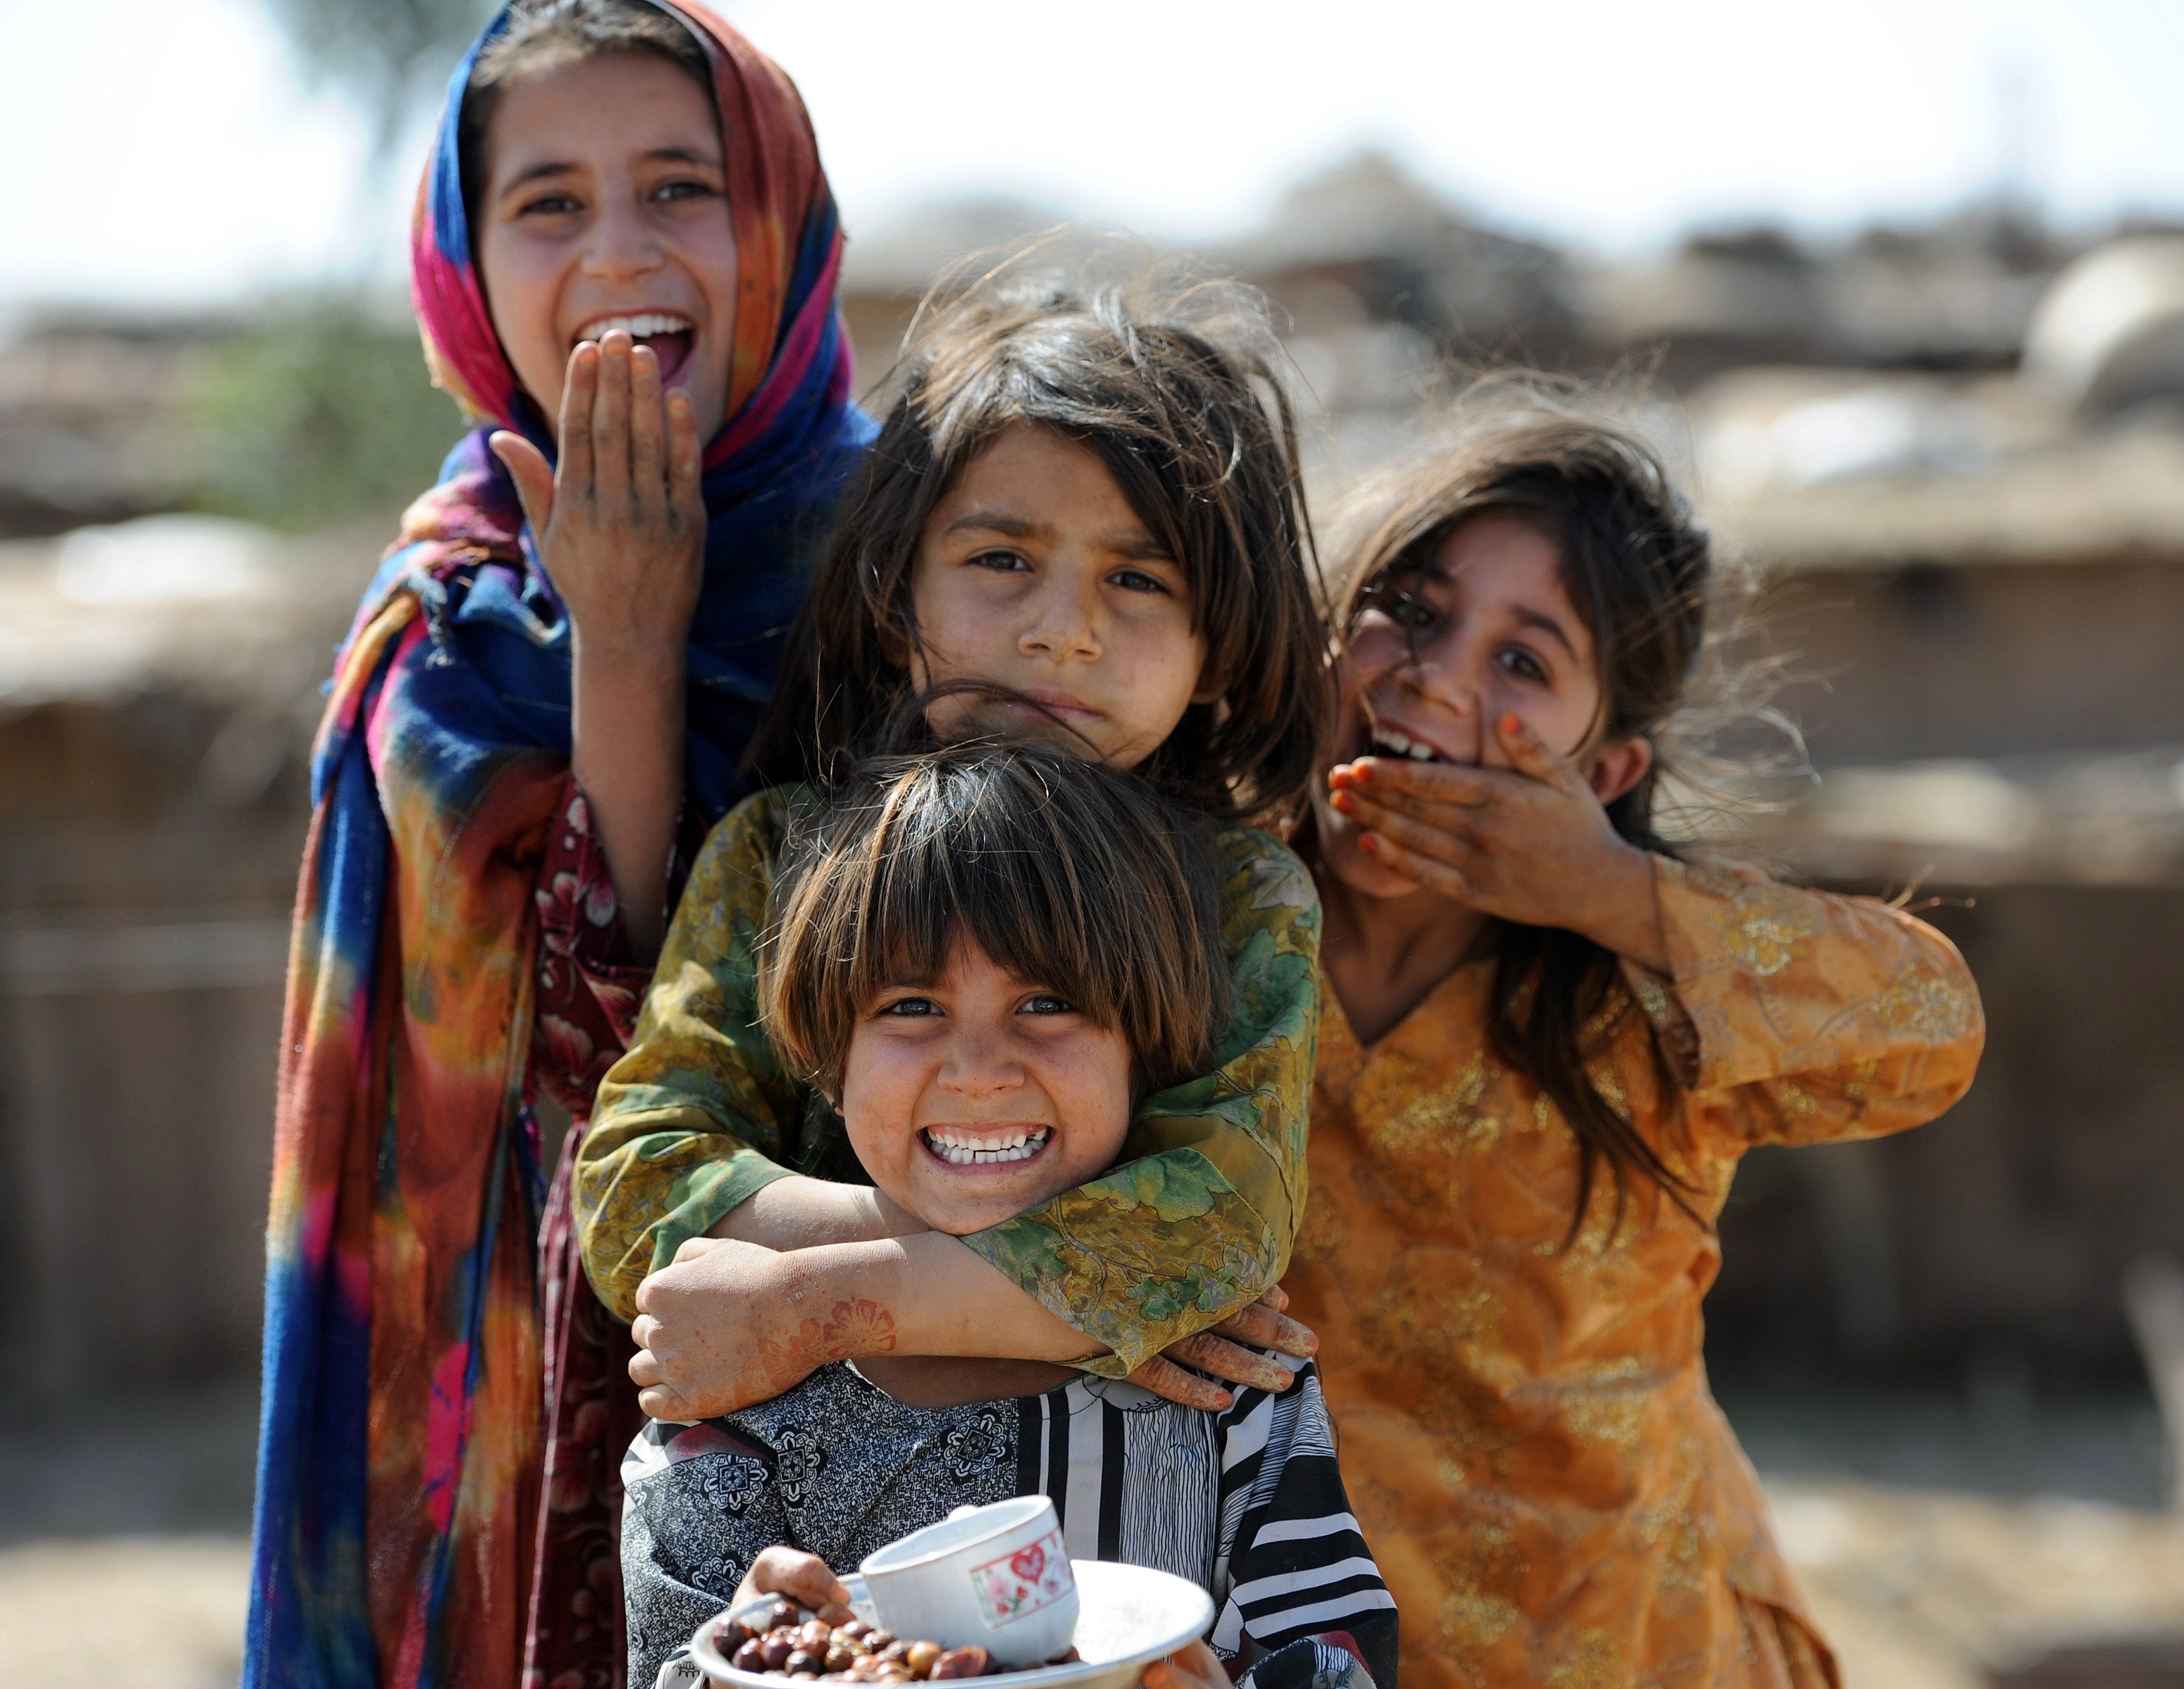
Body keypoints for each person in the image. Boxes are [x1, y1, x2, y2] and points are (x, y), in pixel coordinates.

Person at [246, 4, 873, 1685]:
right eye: (545, 202)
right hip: (475, 1418)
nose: (615, 251)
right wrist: (619, 641)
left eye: (679, 185)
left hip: (871, 1405)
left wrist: (639, 642)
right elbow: (532, 1080)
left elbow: (725, 1081)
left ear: (779, 224)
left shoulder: (931, 576)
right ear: (464, 264)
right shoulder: (439, 619)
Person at [1284, 391, 1987, 1689]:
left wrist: (1604, 893)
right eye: (1416, 610)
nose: (1435, 675)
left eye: (1522, 663)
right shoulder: (1192, 935)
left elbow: (1931, 1031)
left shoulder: (1643, 995)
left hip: (1628, 1643)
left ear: (1601, 774)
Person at [572, 266, 1337, 1416]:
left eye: (1136, 578)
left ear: (1218, 647)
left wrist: (806, 1299)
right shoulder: (778, 857)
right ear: (894, 595)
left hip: (1135, 1554)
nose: (1061, 631)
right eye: (1001, 560)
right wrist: (1084, 1277)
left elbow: (1220, 1225)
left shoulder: (1239, 896)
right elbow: (634, 1191)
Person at [616, 741, 1397, 1689]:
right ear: (830, 1066)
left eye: (1046, 1001)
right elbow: (671, 1661)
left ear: (1144, 1058)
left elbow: (1337, 1657)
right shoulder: (738, 1382)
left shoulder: (1223, 1374)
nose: (978, 1068)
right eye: (910, 1005)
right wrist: (752, 1664)